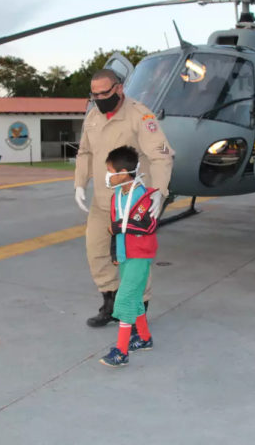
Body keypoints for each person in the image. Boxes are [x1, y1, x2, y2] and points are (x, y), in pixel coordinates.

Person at [75, 69, 174, 327]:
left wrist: (159, 192)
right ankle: (110, 303)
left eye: (104, 93)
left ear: (118, 89)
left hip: (132, 204)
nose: (98, 99)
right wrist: (79, 184)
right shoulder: (93, 116)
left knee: (135, 259)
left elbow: (161, 156)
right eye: (94, 94)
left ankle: (138, 313)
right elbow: (84, 152)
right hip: (101, 199)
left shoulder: (140, 115)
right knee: (96, 251)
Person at [99, 146, 157, 367]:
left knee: (124, 300)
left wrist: (119, 228)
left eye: (110, 171)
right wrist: (116, 252)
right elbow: (117, 228)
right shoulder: (118, 194)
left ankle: (121, 351)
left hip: (139, 256)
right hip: (125, 255)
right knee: (133, 296)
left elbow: (145, 225)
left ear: (123, 173)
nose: (108, 176)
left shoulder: (141, 195)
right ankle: (143, 338)